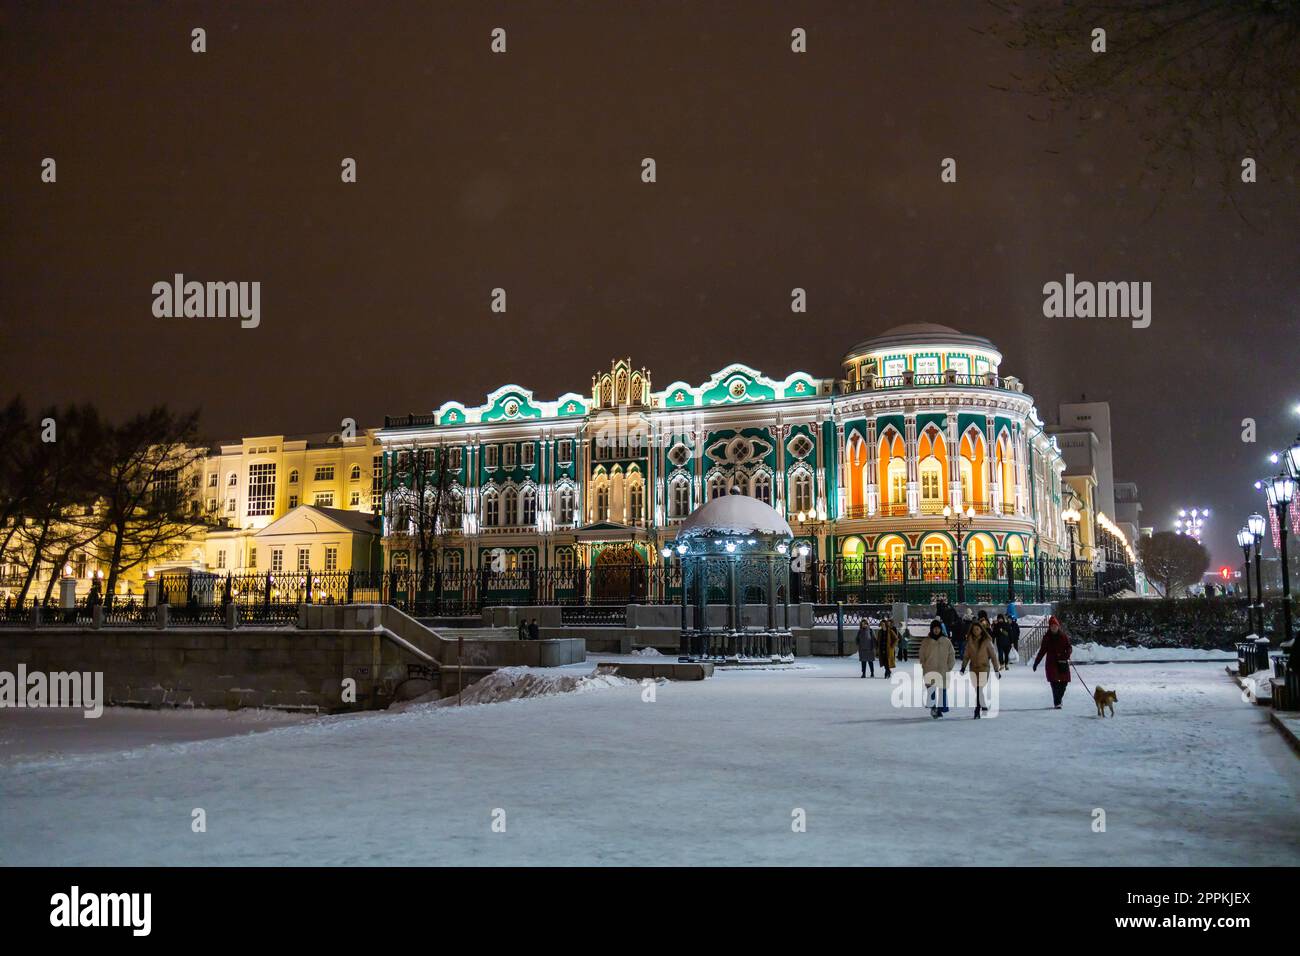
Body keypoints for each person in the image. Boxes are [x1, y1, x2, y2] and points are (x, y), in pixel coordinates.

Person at [961, 611, 1002, 718]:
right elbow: (966, 656)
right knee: (977, 689)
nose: (976, 631)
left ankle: (977, 709)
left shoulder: (987, 641)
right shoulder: (969, 642)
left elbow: (993, 656)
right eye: (974, 629)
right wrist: (963, 667)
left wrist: (996, 670)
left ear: (981, 630)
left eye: (978, 629)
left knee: (979, 688)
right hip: (973, 668)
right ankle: (983, 704)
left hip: (984, 667)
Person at [1033, 615, 1072, 708]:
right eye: (1052, 626)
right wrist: (1036, 663)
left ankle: (1059, 699)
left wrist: (1067, 655)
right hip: (1051, 663)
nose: (1054, 628)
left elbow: (1069, 647)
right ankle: (1057, 703)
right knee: (1054, 683)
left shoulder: (1063, 636)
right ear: (1050, 627)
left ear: (1058, 626)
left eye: (1055, 626)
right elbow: (1042, 651)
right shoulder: (1046, 638)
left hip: (1062, 661)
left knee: (1064, 682)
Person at [919, 618, 956, 718]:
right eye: (934, 628)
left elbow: (952, 654)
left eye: (938, 628)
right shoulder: (926, 641)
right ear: (931, 629)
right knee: (931, 691)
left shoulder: (946, 641)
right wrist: (924, 664)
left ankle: (940, 709)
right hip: (930, 669)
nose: (936, 630)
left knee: (942, 691)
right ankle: (933, 707)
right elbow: (922, 654)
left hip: (943, 669)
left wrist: (949, 666)